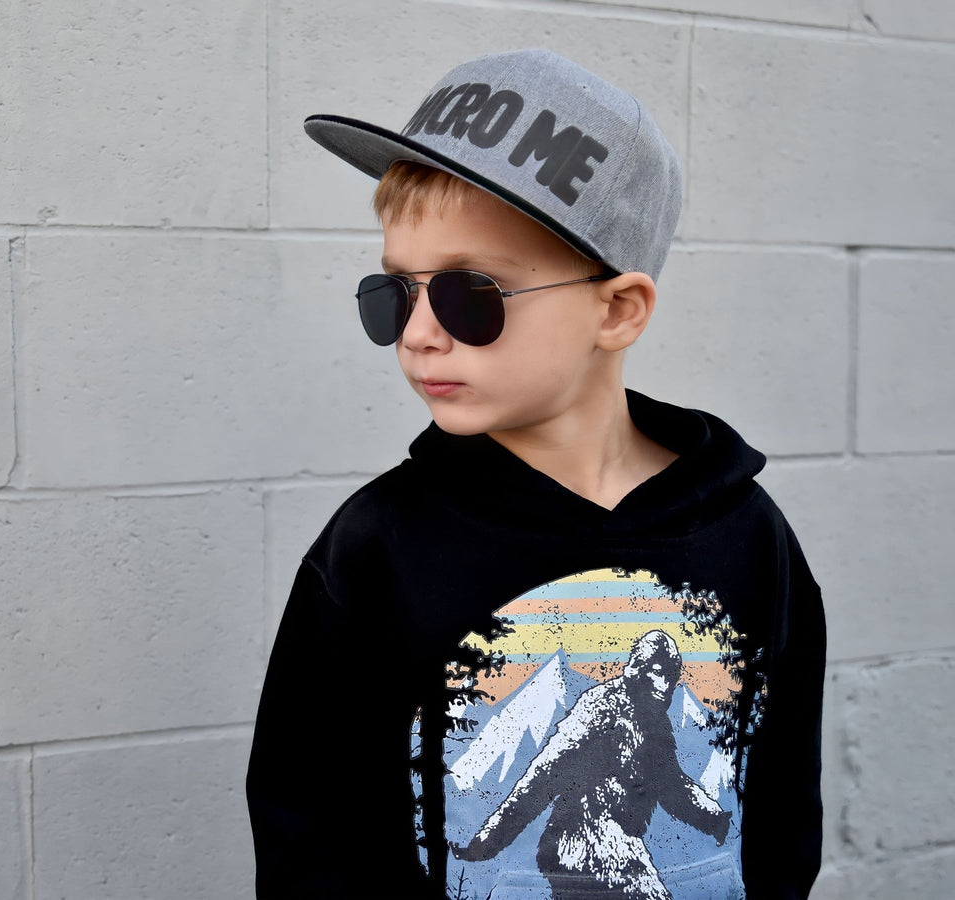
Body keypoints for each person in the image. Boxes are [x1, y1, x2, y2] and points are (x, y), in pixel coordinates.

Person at [247, 49, 825, 900]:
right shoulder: (378, 547)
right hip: (580, 852)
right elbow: (308, 828)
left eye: (468, 295)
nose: (419, 334)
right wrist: (484, 843)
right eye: (396, 292)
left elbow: (778, 802)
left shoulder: (748, 536)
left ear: (617, 310)